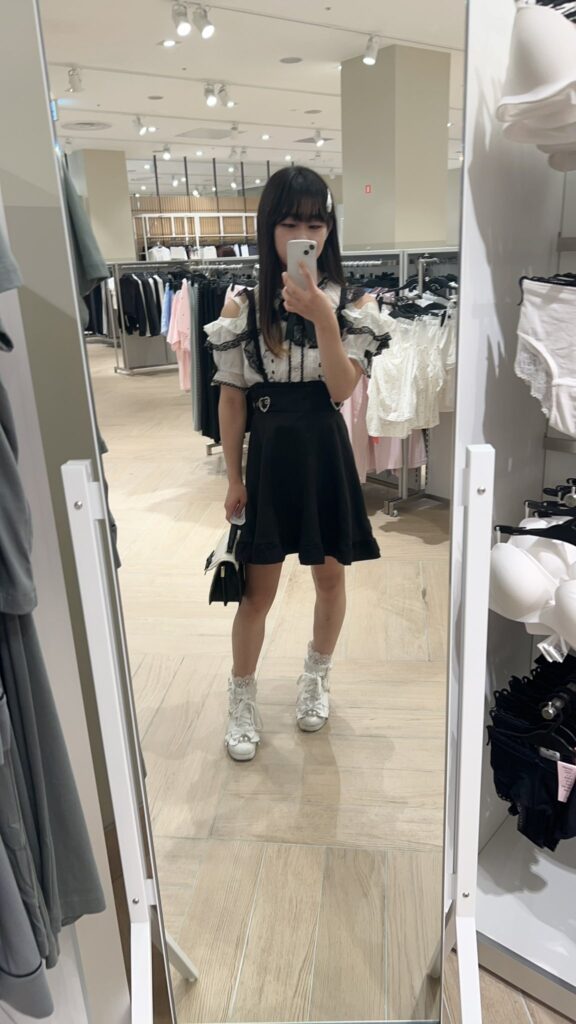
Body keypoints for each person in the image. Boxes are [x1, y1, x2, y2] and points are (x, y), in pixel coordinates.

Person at [204, 166, 393, 761]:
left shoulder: (353, 303)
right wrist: (234, 477)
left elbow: (341, 389)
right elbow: (231, 398)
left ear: (329, 230)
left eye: (315, 223)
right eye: (290, 223)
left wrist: (323, 319)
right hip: (269, 453)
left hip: (323, 447)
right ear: (270, 228)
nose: (303, 235)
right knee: (257, 590)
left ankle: (316, 677)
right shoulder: (242, 305)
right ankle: (242, 697)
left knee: (330, 576)